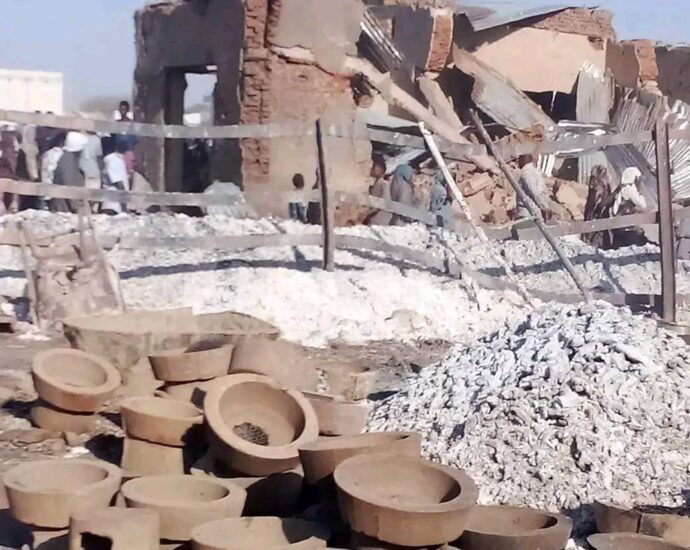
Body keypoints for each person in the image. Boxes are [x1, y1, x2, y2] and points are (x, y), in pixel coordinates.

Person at [52, 131, 88, 212]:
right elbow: (68, 183)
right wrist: (77, 206)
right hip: (65, 208)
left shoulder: (70, 159)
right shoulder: (68, 161)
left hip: (67, 205)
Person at [514, 154, 551, 222]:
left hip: (527, 214)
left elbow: (534, 192)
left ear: (524, 159)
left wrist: (544, 208)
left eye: (519, 159)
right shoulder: (536, 172)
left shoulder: (526, 172)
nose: (518, 162)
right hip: (535, 214)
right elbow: (542, 192)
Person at [101, 140, 130, 215]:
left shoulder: (116, 159)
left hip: (115, 203)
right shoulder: (114, 161)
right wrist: (124, 207)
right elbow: (119, 184)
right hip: (114, 205)